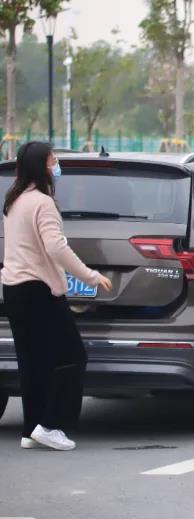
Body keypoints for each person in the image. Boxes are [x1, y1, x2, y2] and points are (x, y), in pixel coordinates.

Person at [2, 142, 113, 451]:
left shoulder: (14, 200)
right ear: (42, 166)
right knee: (72, 357)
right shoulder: (43, 203)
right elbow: (56, 247)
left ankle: (31, 430)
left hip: (14, 289)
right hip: (39, 291)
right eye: (53, 161)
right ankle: (51, 425)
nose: (57, 166)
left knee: (32, 362)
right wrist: (90, 276)